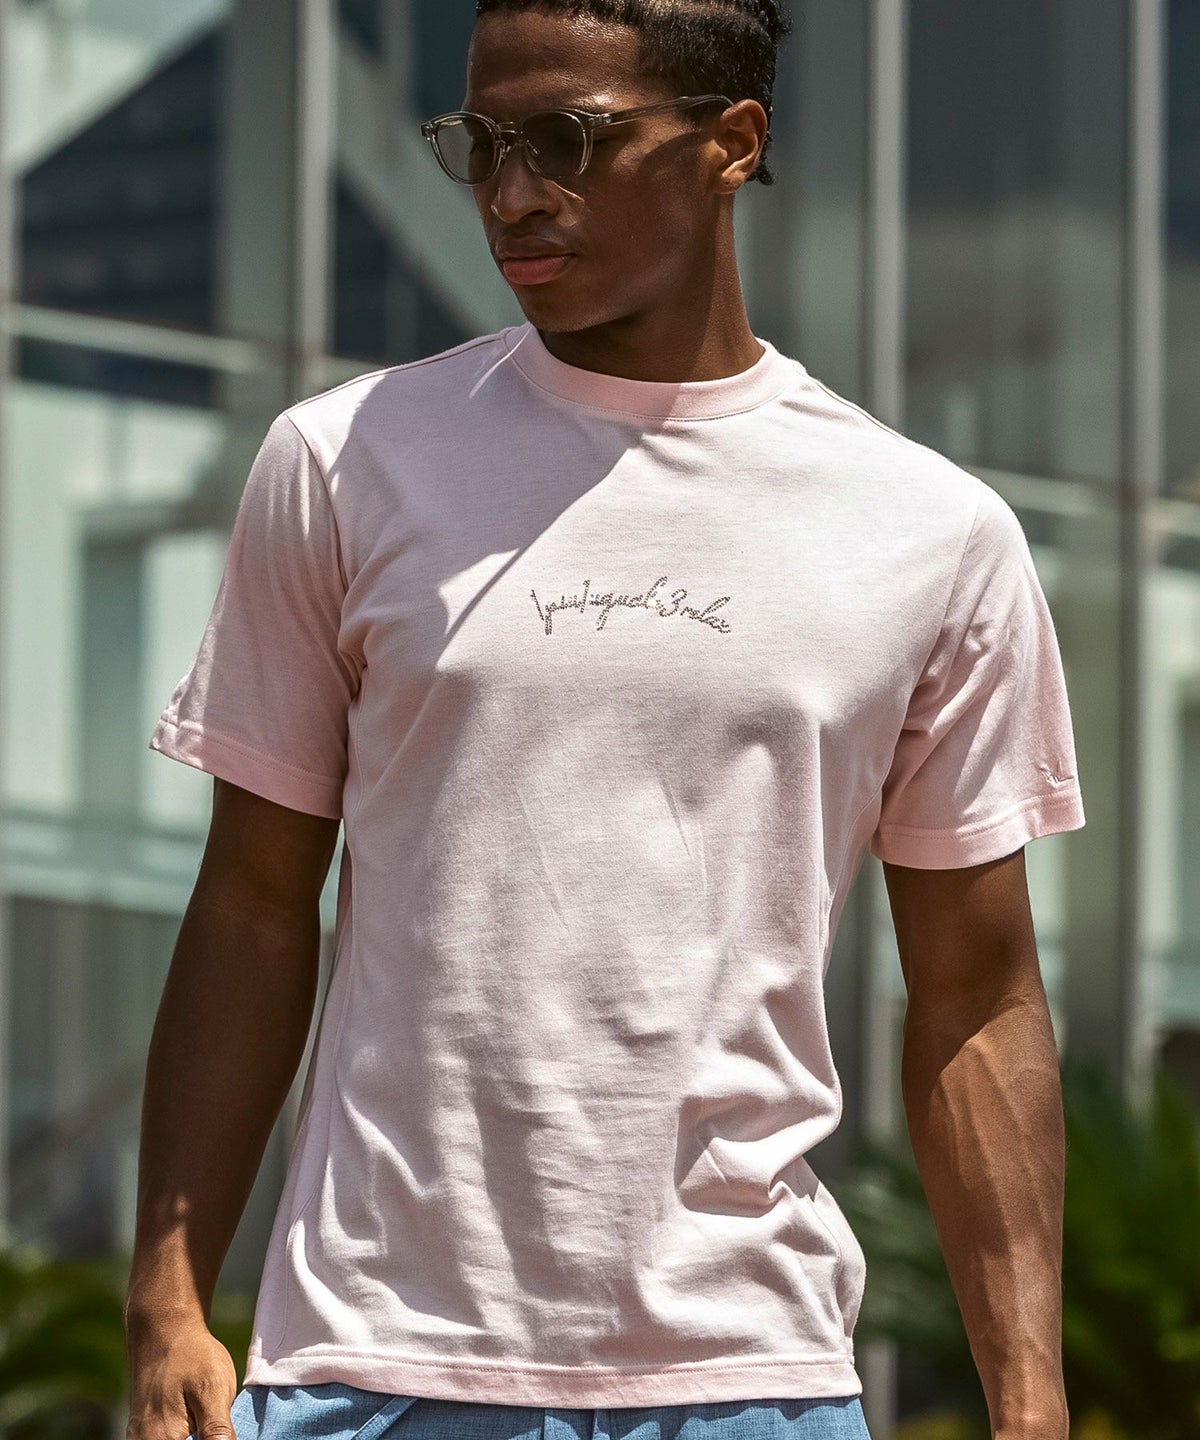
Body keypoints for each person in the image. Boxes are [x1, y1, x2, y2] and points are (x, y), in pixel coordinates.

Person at [124, 2, 1086, 1439]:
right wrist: (167, 1295)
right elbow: (255, 904)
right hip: (373, 1365)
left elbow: (976, 995)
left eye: (569, 139)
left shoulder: (930, 532)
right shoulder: (344, 460)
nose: (514, 193)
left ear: (731, 143)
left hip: (749, 1378)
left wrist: (1029, 1395)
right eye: (483, 145)